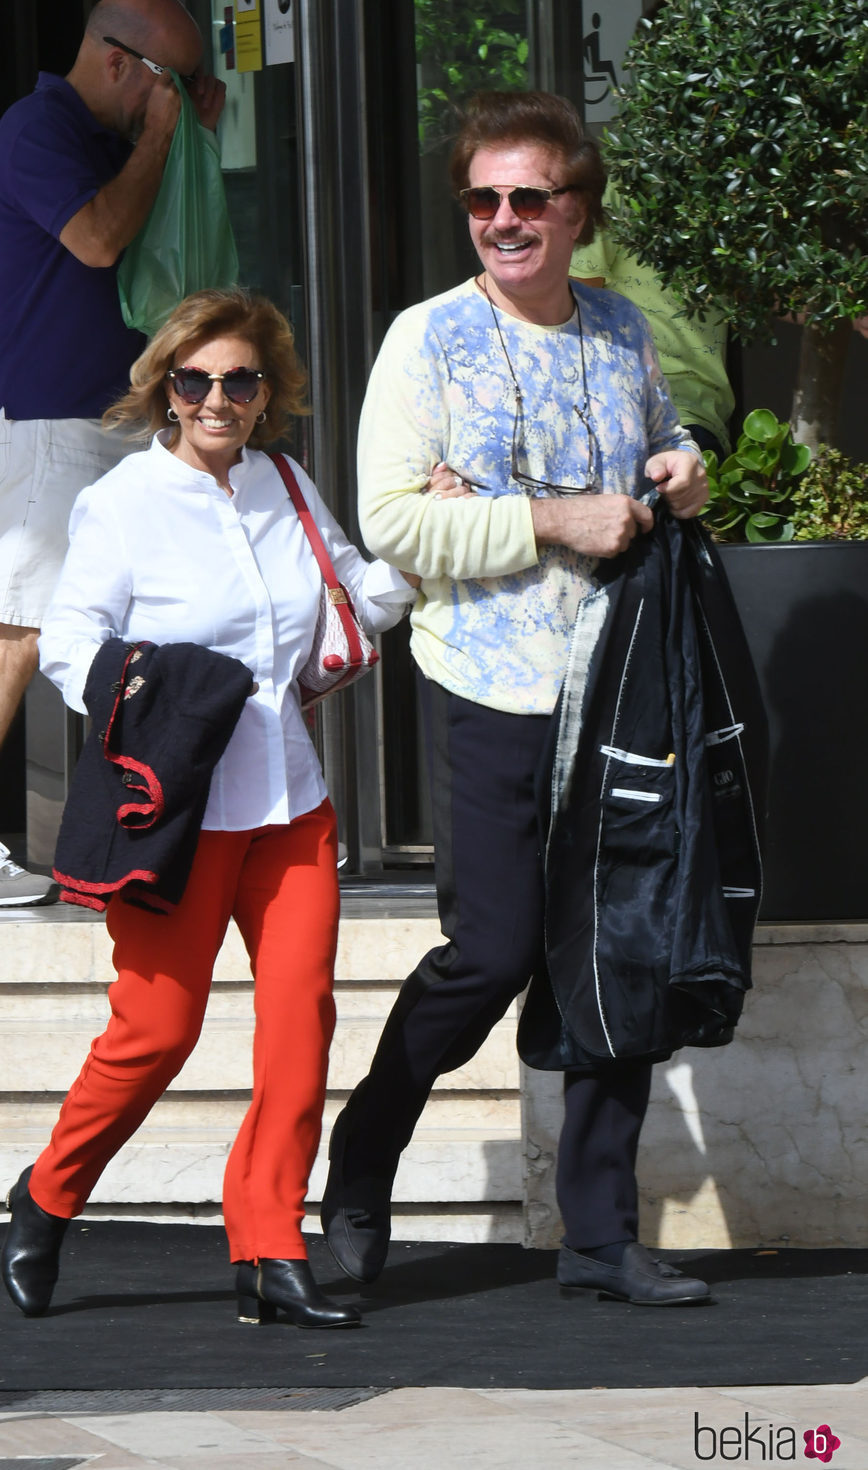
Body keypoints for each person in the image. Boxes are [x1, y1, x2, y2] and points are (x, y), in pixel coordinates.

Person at [321, 91, 715, 1307]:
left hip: (618, 688)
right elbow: (387, 516)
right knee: (488, 952)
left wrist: (681, 462)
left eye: (528, 198)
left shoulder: (616, 330)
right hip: (488, 679)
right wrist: (547, 515)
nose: (502, 220)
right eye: (483, 199)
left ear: (573, 211)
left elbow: (658, 451)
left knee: (613, 951)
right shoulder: (422, 341)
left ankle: (599, 1235)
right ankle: (361, 1162)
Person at [0, 288, 415, 1325]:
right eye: (195, 380)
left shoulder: (282, 481)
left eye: (238, 380)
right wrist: (163, 699)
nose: (216, 399)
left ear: (264, 392)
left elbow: (354, 593)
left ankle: (269, 1243)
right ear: (166, 389)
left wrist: (421, 542)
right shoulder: (123, 501)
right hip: (174, 815)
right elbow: (67, 644)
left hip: (288, 802)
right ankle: (48, 1192)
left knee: (297, 1028)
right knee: (156, 1030)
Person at [0, 0, 227, 908]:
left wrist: (184, 135)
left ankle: (122, 836)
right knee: (21, 624)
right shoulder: (38, 127)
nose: (184, 98)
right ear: (126, 66)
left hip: (110, 419)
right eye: (177, 79)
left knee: (126, 631)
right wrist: (161, 142)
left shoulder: (112, 136)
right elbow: (97, 238)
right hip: (47, 420)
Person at [570, 179, 734, 458]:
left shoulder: (731, 185)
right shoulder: (622, 185)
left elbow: (570, 304)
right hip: (642, 415)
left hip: (675, 419)